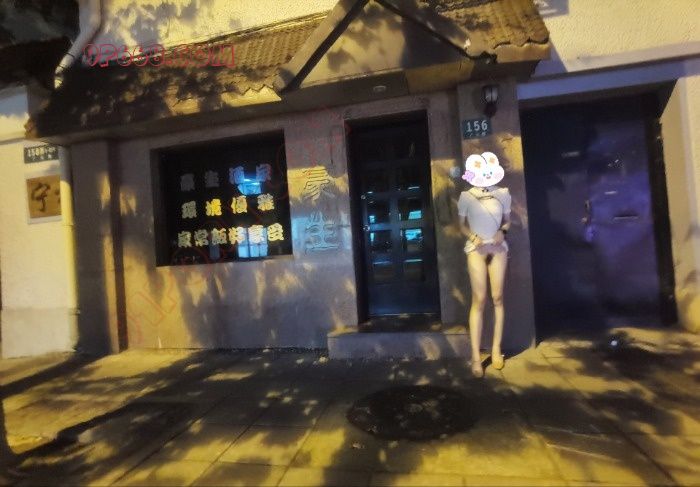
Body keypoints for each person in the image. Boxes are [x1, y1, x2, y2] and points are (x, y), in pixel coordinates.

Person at [457, 152, 511, 378]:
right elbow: (461, 225)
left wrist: (502, 231)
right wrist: (472, 237)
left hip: (498, 249)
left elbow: (507, 221)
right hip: (476, 250)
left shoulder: (503, 193)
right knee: (479, 299)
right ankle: (475, 356)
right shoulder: (466, 196)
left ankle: (496, 349)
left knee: (498, 298)